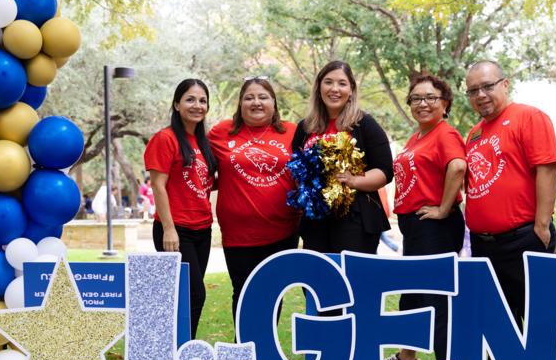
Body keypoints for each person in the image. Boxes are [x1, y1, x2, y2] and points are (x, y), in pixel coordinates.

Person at [463, 60, 556, 360]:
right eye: (473, 90)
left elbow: (546, 168)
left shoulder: (528, 117)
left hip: (524, 236)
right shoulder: (474, 133)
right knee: (500, 320)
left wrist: (541, 223)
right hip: (486, 244)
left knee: (536, 320)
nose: (481, 95)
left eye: (487, 86)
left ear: (505, 83)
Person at [385, 74, 467, 360]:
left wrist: (443, 208)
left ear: (445, 104)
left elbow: (458, 166)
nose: (422, 103)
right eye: (416, 98)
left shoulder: (444, 133)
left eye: (430, 98)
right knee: (413, 292)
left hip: (435, 227)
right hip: (416, 227)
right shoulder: (417, 136)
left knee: (435, 298)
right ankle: (408, 356)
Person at [208, 77, 300, 319]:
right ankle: (242, 353)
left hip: (283, 231)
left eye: (263, 97)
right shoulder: (221, 132)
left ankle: (265, 353)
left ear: (274, 102)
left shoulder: (293, 131)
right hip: (239, 235)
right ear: (240, 103)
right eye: (249, 97)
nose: (256, 102)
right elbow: (198, 164)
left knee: (274, 293)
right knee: (243, 293)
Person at [292, 60, 393, 254]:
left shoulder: (364, 124)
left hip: (356, 218)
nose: (334, 89)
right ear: (319, 87)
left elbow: (385, 171)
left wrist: (353, 180)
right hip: (315, 220)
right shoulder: (305, 127)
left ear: (351, 90)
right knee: (317, 279)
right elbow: (296, 168)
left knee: (353, 280)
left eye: (342, 83)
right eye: (328, 82)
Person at [144, 78, 216, 338]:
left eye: (202, 100)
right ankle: (178, 352)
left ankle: (180, 351)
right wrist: (169, 229)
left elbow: (204, 181)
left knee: (187, 298)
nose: (197, 105)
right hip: (176, 231)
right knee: (194, 294)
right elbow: (158, 185)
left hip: (202, 229)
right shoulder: (165, 138)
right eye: (190, 99)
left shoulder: (202, 142)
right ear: (176, 104)